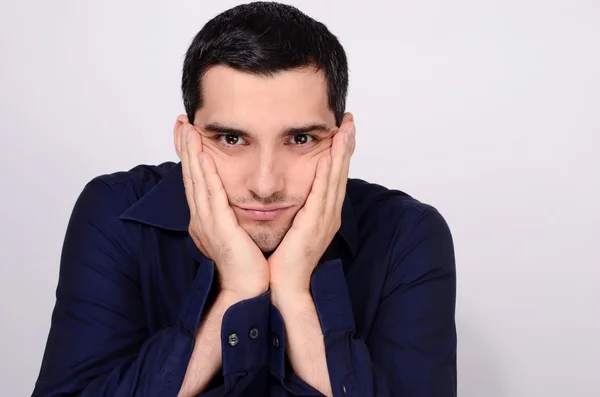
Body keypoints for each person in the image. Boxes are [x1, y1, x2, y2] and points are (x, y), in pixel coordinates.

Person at [32, 2, 456, 396]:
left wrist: (292, 293)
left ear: (344, 140)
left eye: (301, 138)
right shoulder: (115, 214)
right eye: (231, 138)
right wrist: (237, 294)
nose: (265, 184)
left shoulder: (408, 235)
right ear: (186, 139)